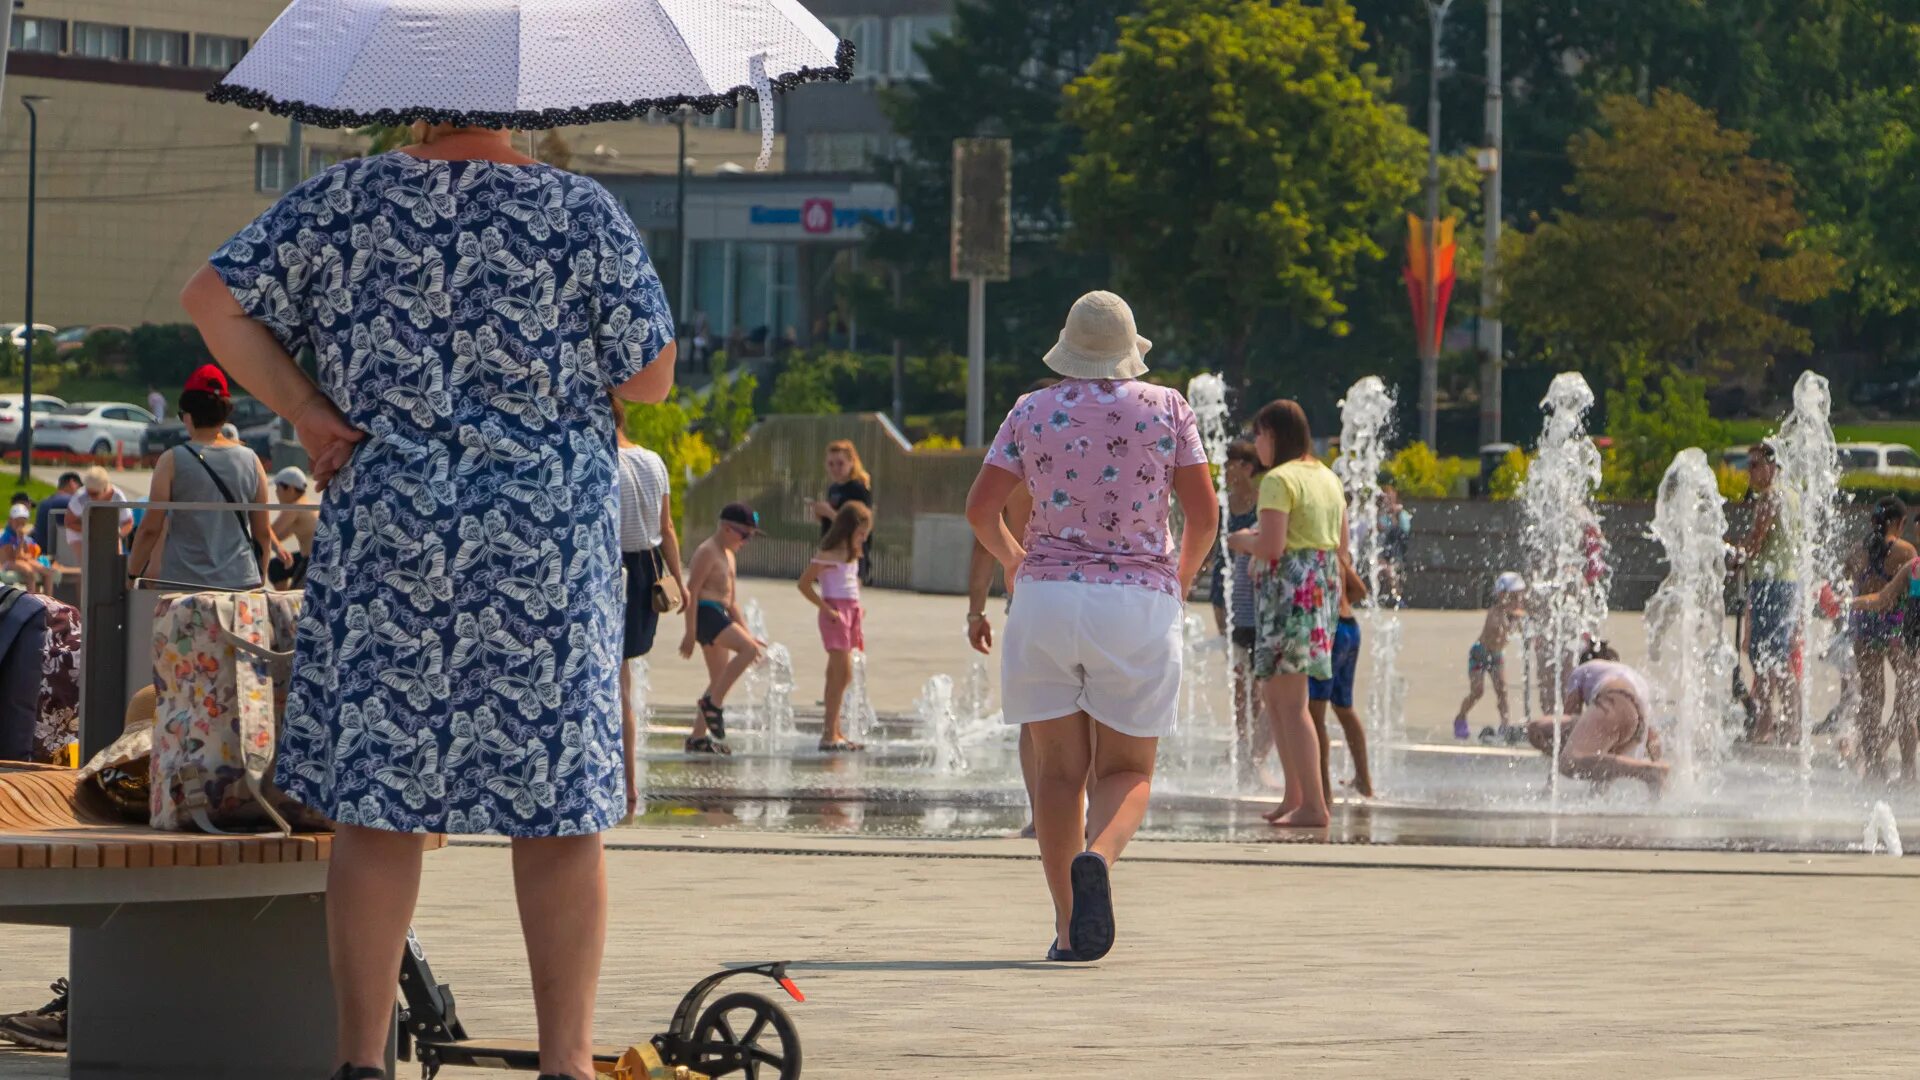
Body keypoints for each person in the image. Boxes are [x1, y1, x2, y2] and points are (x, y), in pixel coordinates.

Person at [181, 119, 678, 1080]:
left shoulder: (346, 198)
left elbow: (211, 299)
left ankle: (362, 1060)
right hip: (539, 543)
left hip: (392, 529)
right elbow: (649, 377)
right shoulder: (580, 210)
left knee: (379, 802)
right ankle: (566, 1062)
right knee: (560, 811)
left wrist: (308, 408)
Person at [966, 290, 1216, 962]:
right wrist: (1180, 577)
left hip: (1045, 601)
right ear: (1130, 352)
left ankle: (1070, 927)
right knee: (1127, 770)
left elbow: (981, 508)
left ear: (1068, 349)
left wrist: (1017, 563)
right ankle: (1099, 858)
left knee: (1055, 777)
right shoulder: (1169, 408)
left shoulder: (1030, 409)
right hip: (1135, 604)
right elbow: (1204, 512)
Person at [1226, 399, 1347, 829]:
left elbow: (1273, 547)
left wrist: (1241, 540)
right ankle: (1294, 795)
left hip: (1287, 595)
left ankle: (1313, 803)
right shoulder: (1328, 477)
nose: (1255, 443)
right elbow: (1339, 546)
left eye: (1258, 435)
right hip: (1317, 591)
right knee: (1276, 699)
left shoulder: (1278, 479)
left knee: (1290, 703)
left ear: (1274, 435)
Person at [128, 366, 285, 592]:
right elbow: (262, 532)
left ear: (189, 415)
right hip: (239, 581)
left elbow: (150, 528)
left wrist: (132, 573)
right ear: (225, 413)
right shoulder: (251, 460)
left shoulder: (171, 461)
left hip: (182, 584)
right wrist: (259, 574)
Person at [614, 405, 684, 806]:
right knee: (624, 682)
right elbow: (667, 527)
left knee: (611, 686)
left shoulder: (602, 462)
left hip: (611, 570)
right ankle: (627, 784)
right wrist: (681, 582)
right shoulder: (653, 461)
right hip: (648, 573)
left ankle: (624, 785)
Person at [1837, 497, 1917, 779]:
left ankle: (1873, 765)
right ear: (1900, 523)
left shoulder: (1857, 550)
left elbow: (1844, 583)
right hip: (1896, 628)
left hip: (1864, 625)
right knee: (1908, 697)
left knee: (1872, 699)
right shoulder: (1906, 551)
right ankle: (1908, 768)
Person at [678, 502, 765, 754]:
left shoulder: (729, 555)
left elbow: (733, 600)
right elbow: (691, 591)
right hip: (706, 613)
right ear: (728, 529)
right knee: (746, 652)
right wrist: (690, 631)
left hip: (721, 614)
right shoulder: (708, 551)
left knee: (718, 678)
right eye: (745, 534)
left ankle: (697, 738)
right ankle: (713, 706)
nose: (747, 541)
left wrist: (748, 633)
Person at [1526, 642, 1668, 794]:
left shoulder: (1582, 671)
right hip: (1636, 721)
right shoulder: (1627, 674)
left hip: (1614, 700)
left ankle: (1649, 772)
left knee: (1551, 744)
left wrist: (1551, 783)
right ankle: (1651, 774)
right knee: (1599, 765)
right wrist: (1657, 760)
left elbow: (1567, 727)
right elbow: (1652, 737)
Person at [1737, 441, 1802, 744]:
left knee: (1763, 656)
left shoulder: (1769, 498)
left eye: (1754, 465)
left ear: (1771, 466)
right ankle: (1790, 725)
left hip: (1771, 584)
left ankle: (1765, 725)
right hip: (1789, 582)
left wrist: (1734, 553)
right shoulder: (1791, 496)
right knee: (1778, 654)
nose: (1748, 471)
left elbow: (1755, 543)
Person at [1212, 439, 1269, 783]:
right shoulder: (1222, 505)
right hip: (1226, 597)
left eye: (1229, 462)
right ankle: (1242, 741)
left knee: (1258, 682)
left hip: (1256, 600)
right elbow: (1213, 552)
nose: (1224, 468)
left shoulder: (1264, 503)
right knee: (1238, 678)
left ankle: (1255, 753)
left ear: (1247, 466)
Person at [799, 502, 873, 752]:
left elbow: (851, 583)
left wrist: (857, 608)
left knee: (841, 674)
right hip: (835, 612)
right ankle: (829, 733)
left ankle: (835, 730)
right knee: (842, 673)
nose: (863, 538)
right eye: (860, 533)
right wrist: (827, 609)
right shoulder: (829, 554)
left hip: (851, 611)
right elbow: (804, 584)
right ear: (849, 529)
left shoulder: (852, 554)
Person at [1310, 552, 1373, 798]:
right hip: (1350, 628)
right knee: (1344, 708)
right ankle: (1364, 781)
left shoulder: (1313, 553)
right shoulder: (1335, 555)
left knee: (1314, 713)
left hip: (1330, 632)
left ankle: (1323, 792)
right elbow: (1360, 590)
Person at [1452, 572, 1528, 743]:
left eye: (1519, 596)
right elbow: (1501, 629)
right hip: (1479, 653)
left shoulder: (1517, 614)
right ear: (1503, 595)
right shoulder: (1496, 612)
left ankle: (1505, 725)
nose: (1518, 600)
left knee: (1502, 692)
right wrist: (1512, 618)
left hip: (1496, 656)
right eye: (1513, 596)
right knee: (1477, 692)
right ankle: (1460, 717)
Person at [811, 439, 874, 579]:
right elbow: (831, 523)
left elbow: (861, 525)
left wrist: (829, 512)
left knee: (847, 596)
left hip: (850, 553)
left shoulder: (858, 489)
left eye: (840, 464)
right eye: (831, 464)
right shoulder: (833, 488)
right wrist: (819, 513)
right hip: (832, 550)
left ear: (851, 463)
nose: (835, 468)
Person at [63, 467, 134, 568]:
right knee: (86, 566)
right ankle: (84, 581)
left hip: (109, 532)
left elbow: (128, 522)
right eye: (88, 492)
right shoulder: (80, 497)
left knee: (115, 563)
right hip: (80, 533)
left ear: (105, 489)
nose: (90, 497)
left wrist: (118, 535)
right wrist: (93, 531)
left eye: (95, 494)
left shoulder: (117, 497)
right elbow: (69, 522)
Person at [269, 466, 317, 590]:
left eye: (277, 488)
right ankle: (282, 598)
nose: (276, 493)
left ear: (289, 489)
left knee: (295, 600)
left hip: (312, 561)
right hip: (314, 557)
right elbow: (277, 537)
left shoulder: (295, 507)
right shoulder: (307, 504)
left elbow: (268, 532)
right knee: (276, 566)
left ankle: (282, 605)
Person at [0, 504, 56, 593]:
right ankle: (31, 599)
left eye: (23, 523)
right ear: (10, 520)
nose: (20, 525)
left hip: (18, 560)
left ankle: (48, 599)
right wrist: (21, 540)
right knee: (29, 571)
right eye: (17, 522)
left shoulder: (22, 536)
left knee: (47, 571)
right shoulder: (6, 537)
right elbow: (15, 557)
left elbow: (25, 554)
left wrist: (28, 556)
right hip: (7, 562)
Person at [32, 472, 80, 558]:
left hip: (41, 552)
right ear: (71, 483)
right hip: (61, 557)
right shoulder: (71, 501)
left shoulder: (44, 503)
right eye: (79, 487)